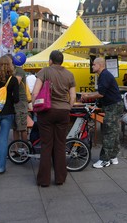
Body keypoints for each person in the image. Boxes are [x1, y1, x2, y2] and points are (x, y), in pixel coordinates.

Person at [32, 50, 76, 187]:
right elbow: (73, 96)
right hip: (63, 111)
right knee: (60, 144)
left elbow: (35, 92)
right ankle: (60, 178)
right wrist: (68, 107)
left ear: (50, 60)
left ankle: (44, 180)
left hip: (47, 112)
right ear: (61, 61)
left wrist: (34, 106)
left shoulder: (45, 71)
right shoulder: (69, 74)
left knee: (46, 145)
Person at [81, 57, 124, 169]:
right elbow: (102, 93)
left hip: (113, 106)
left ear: (99, 65)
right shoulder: (104, 75)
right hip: (114, 105)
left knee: (109, 132)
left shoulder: (104, 75)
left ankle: (105, 160)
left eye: (93, 65)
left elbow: (101, 94)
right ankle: (113, 156)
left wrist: (87, 96)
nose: (92, 66)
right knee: (113, 131)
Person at [10, 55, 31, 143]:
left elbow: (16, 83)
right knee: (15, 127)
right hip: (15, 101)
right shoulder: (14, 71)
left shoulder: (19, 70)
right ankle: (16, 148)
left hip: (20, 102)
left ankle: (24, 148)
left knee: (22, 127)